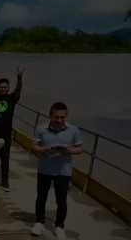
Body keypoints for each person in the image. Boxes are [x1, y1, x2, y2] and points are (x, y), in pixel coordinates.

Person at [31, 102, 83, 240]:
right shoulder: (41, 129)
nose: (59, 120)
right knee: (41, 197)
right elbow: (34, 146)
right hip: (44, 169)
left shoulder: (74, 130)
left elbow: (80, 148)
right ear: (50, 116)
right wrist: (45, 149)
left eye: (62, 117)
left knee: (61, 201)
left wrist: (68, 150)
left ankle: (59, 226)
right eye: (56, 117)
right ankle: (39, 222)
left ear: (66, 116)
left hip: (63, 171)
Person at [0, 67, 23, 191]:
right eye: (1, 87)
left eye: (5, 87)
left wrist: (19, 78)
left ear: (8, 88)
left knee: (5, 159)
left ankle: (5, 182)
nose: (3, 89)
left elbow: (18, 90)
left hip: (6, 135)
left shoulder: (12, 99)